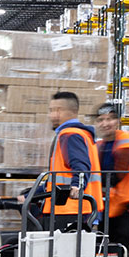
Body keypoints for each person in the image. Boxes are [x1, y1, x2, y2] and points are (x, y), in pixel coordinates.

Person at [43, 91, 105, 228]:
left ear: (61, 112)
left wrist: (77, 186)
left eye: (54, 110)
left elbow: (81, 165)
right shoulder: (81, 134)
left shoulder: (70, 135)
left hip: (71, 207)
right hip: (79, 207)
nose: (51, 115)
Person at [93, 102, 129, 257]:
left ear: (118, 121)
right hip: (109, 202)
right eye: (101, 119)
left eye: (110, 119)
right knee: (104, 241)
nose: (105, 123)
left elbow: (117, 173)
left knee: (122, 242)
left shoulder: (126, 140)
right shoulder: (99, 145)